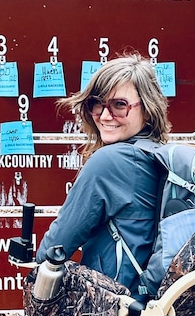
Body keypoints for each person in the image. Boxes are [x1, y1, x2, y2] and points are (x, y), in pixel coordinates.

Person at [35, 52, 170, 302]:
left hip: (115, 312)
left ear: (148, 110)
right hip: (159, 308)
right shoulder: (160, 155)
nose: (105, 116)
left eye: (120, 105)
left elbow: (57, 245)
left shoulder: (109, 162)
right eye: (97, 103)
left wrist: (39, 267)